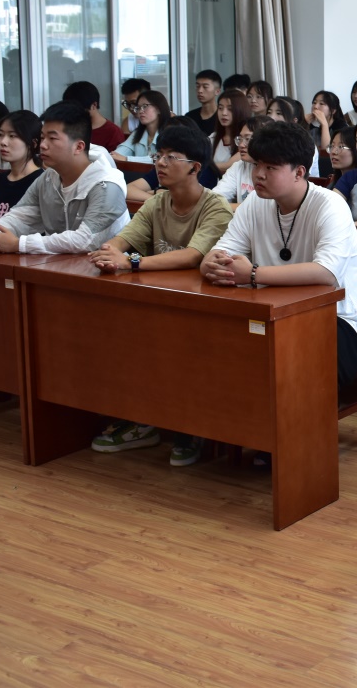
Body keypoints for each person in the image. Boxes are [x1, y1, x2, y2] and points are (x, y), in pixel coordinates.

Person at [87, 125, 233, 465]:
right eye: (159, 155)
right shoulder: (157, 202)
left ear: (195, 167)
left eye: (171, 157)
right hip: (157, 301)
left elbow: (192, 256)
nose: (160, 163)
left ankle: (191, 427)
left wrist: (131, 263)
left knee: (181, 347)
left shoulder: (216, 207)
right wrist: (110, 251)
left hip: (200, 308)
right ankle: (141, 420)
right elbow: (124, 239)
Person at [201, 121, 357, 389]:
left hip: (336, 320)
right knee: (217, 346)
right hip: (274, 311)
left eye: (270, 167)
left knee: (278, 366)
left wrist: (253, 274)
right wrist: (212, 262)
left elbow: (325, 273)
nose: (258, 174)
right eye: (257, 165)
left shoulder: (330, 205)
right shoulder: (254, 203)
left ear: (299, 172)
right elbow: (222, 250)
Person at [0, 101, 129, 253]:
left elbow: (85, 241)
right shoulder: (47, 179)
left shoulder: (107, 185)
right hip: (58, 262)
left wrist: (19, 244)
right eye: (42, 137)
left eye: (52, 138)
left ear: (78, 147)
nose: (42, 145)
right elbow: (20, 216)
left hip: (107, 265)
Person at [0, 111, 44, 233]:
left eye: (12, 136)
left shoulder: (41, 183)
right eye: (0, 135)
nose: (3, 142)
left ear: (33, 143)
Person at [62, 82, 126, 153]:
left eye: (79, 109)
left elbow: (115, 158)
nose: (74, 114)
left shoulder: (113, 132)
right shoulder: (68, 127)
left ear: (94, 105)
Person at [113, 90, 171, 161]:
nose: (140, 111)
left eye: (145, 106)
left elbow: (160, 159)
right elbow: (119, 153)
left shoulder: (170, 133)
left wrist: (127, 159)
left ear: (159, 109)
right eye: (138, 108)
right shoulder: (138, 133)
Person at [211, 89, 249, 176]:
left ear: (241, 110)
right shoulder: (212, 139)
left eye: (230, 109)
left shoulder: (247, 140)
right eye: (220, 108)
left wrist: (206, 166)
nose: (224, 113)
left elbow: (228, 166)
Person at [184, 69, 221, 136]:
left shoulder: (222, 117)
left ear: (217, 91)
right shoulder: (190, 117)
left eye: (205, 87)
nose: (200, 90)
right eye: (197, 86)